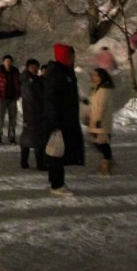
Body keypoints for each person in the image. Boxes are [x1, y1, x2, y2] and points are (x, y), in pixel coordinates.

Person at [43, 43, 85, 197]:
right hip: (58, 122)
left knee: (58, 152)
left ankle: (57, 181)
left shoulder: (66, 73)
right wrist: (55, 123)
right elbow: (50, 100)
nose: (72, 59)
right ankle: (57, 184)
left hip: (65, 120)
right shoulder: (56, 74)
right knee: (57, 152)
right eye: (69, 56)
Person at [87, 67, 116, 175]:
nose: (93, 77)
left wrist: (97, 120)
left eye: (96, 75)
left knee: (102, 144)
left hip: (101, 122)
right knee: (98, 143)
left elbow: (101, 107)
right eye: (93, 75)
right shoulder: (97, 89)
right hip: (96, 121)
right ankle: (107, 163)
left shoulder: (104, 90)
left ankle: (106, 167)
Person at [19, 59, 46, 171]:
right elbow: (33, 97)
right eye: (32, 67)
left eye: (36, 67)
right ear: (28, 68)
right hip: (33, 112)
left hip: (31, 112)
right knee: (37, 139)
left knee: (29, 137)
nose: (35, 69)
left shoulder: (33, 79)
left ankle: (24, 161)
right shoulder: (29, 80)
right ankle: (40, 164)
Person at [0, 54, 21, 144]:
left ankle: (12, 137)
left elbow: (19, 84)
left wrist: (18, 95)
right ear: (4, 62)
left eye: (10, 62)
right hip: (2, 98)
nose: (8, 63)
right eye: (6, 61)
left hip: (12, 99)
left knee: (13, 119)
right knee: (0, 119)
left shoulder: (15, 72)